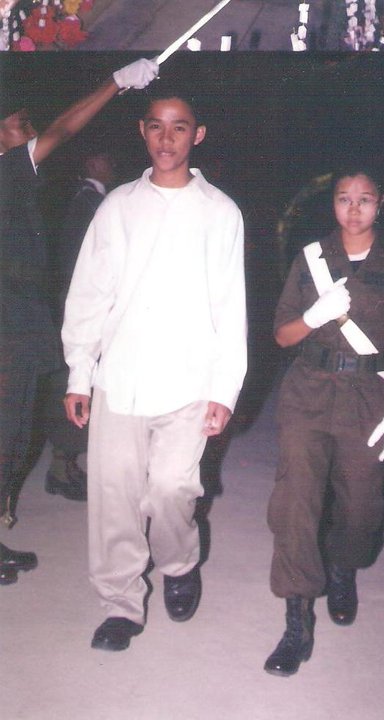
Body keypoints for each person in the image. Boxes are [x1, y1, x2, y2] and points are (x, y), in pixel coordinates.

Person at [62, 88, 247, 652]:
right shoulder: (117, 206)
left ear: (198, 135)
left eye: (180, 127)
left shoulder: (220, 212)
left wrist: (225, 389)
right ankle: (120, 604)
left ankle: (179, 562)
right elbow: (89, 293)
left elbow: (230, 307)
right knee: (113, 497)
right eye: (157, 126)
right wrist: (79, 372)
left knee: (171, 489)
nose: (167, 138)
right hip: (120, 378)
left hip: (188, 381)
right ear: (142, 131)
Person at [0, 56, 159, 586]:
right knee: (5, 436)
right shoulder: (6, 169)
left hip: (18, 328)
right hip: (6, 331)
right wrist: (115, 82)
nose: (30, 133)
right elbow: (65, 128)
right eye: (20, 124)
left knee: (13, 436)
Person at [264, 164, 384, 677]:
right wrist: (313, 317)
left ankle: (343, 568)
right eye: (343, 198)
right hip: (308, 391)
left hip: (370, 394)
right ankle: (296, 620)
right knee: (296, 502)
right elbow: (282, 336)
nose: (353, 209)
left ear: (381, 202)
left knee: (361, 506)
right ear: (332, 202)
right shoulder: (311, 257)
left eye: (364, 199)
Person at [43, 147, 116, 502]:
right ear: (91, 162)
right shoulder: (86, 202)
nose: (111, 165)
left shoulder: (91, 200)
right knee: (75, 383)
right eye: (105, 160)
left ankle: (67, 464)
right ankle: (61, 468)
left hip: (82, 304)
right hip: (80, 307)